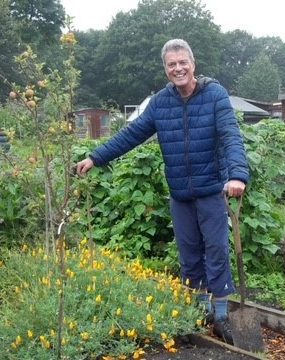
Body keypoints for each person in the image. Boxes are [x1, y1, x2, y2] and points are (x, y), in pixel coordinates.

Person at [76, 38, 249, 345]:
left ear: (193, 64)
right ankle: (200, 311)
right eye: (172, 64)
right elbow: (130, 135)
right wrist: (95, 157)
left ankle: (221, 315)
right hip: (180, 195)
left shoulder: (215, 96)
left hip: (212, 190)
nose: (178, 68)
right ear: (166, 69)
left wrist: (237, 174)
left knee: (217, 252)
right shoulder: (161, 103)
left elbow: (231, 136)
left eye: (183, 62)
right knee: (189, 257)